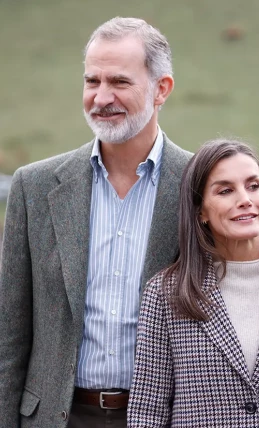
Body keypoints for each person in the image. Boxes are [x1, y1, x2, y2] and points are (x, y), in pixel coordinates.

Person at [0, 17, 191, 427]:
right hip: (56, 417)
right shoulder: (34, 187)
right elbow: (8, 334)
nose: (102, 97)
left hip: (165, 417)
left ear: (162, 89)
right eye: (92, 81)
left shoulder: (200, 185)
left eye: (119, 82)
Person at [127, 139, 259, 427]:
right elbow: (147, 412)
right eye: (226, 190)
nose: (245, 198)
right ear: (201, 211)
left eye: (254, 185)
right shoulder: (166, 293)